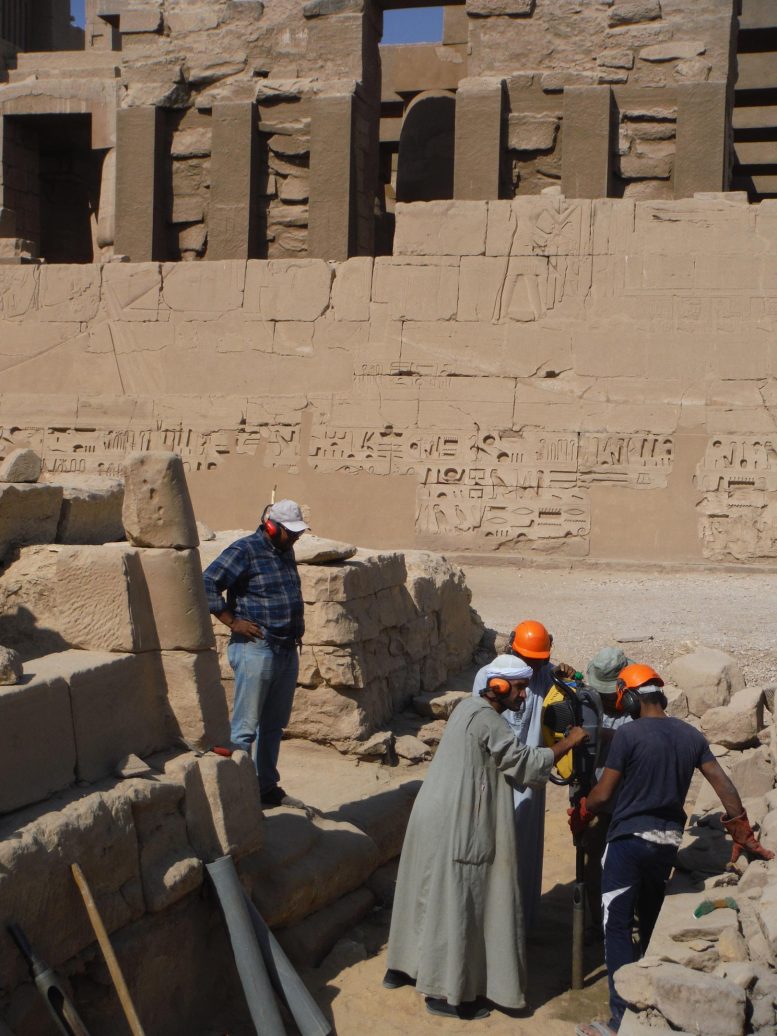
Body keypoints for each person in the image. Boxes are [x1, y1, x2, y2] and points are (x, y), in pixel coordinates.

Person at [572, 663, 774, 1036]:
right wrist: (741, 831)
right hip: (666, 843)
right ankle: (652, 997)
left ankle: (618, 1020)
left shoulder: (628, 735)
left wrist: (584, 809)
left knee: (617, 926)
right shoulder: (690, 735)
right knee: (650, 915)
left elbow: (602, 795)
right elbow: (723, 785)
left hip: (628, 842)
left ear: (630, 698)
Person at [386, 655, 588, 1020]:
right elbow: (525, 762)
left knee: (426, 893)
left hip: (434, 815)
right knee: (460, 903)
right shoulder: (488, 721)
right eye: (520, 688)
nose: (524, 695)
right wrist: (570, 742)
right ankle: (446, 994)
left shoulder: (467, 708)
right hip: (461, 824)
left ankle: (404, 968)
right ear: (498, 686)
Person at [203, 499, 308, 808]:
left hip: (286, 647)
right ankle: (239, 795)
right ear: (272, 527)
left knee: (274, 725)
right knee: (245, 728)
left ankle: (266, 787)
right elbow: (207, 583)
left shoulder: (286, 549)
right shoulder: (244, 550)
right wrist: (232, 622)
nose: (296, 537)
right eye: (291, 532)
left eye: (298, 532)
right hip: (256, 648)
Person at [472, 619, 575, 929]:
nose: (533, 667)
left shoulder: (546, 677)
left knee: (523, 852)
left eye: (539, 661)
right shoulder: (488, 677)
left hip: (529, 781)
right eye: (528, 660)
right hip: (494, 777)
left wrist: (569, 679)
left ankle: (520, 922)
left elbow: (569, 701)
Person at [579, 646, 635, 942]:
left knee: (626, 863)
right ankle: (596, 922)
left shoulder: (639, 705)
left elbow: (643, 739)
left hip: (628, 802)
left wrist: (604, 735)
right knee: (593, 862)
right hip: (595, 799)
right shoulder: (591, 704)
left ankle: (625, 921)